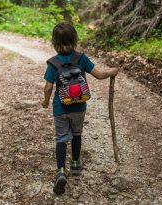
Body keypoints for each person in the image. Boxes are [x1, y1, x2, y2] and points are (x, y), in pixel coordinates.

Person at [42, 22, 119, 195]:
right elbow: (99, 75)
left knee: (61, 138)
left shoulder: (53, 63)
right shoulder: (81, 58)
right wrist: (112, 72)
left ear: (54, 43)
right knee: (77, 134)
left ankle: (61, 171)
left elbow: (48, 87)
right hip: (79, 106)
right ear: (75, 40)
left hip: (60, 109)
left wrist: (46, 102)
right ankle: (75, 164)